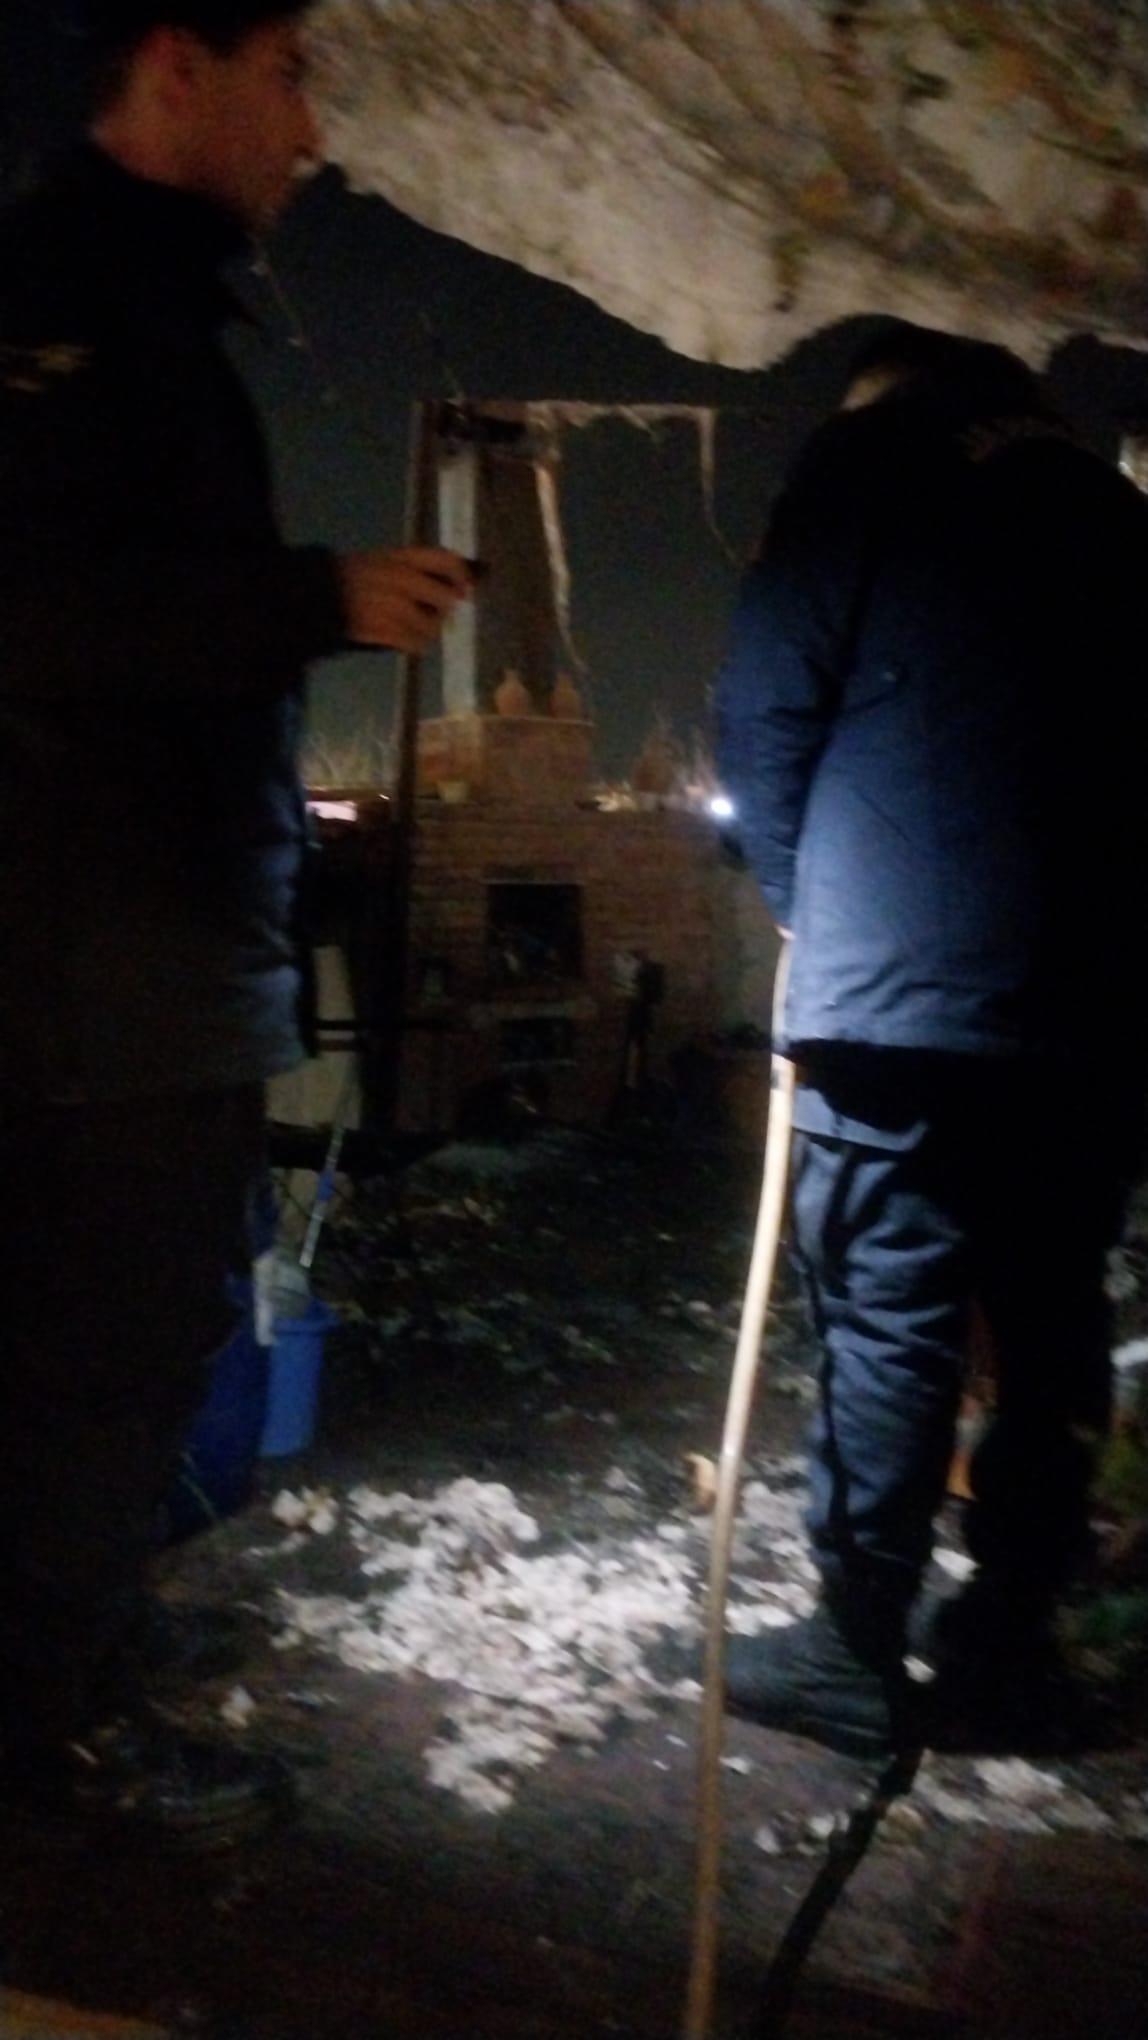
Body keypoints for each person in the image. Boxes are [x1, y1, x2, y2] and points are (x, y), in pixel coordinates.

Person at [0, 0, 474, 1842]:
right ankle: (45, 1750)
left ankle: (72, 1671)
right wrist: (308, 601)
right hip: (86, 974)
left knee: (122, 1352)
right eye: (288, 76)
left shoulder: (136, 304)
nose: (312, 131)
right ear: (174, 67)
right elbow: (32, 608)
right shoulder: (61, 303)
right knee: (97, 1365)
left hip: (133, 956)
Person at [714, 322, 1148, 1761]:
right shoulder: (1114, 507)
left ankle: (853, 1648)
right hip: (1097, 1002)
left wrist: (805, 906)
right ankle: (1009, 1642)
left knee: (891, 1311)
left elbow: (766, 710)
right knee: (1053, 1316)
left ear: (886, 392)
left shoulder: (864, 463)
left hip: (900, 987)